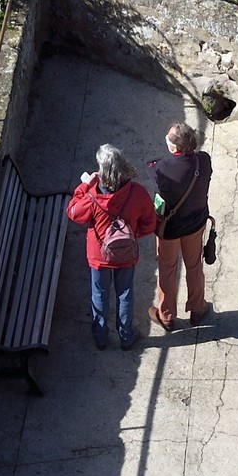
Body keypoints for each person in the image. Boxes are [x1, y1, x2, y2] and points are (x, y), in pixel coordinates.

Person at [65, 143, 157, 350]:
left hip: (99, 256)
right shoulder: (138, 193)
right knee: (125, 294)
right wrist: (132, 236)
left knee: (99, 293)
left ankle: (101, 337)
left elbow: (72, 212)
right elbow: (150, 223)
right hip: (126, 255)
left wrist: (86, 185)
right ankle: (126, 336)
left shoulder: (91, 198)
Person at [148, 121, 212, 330]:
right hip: (195, 224)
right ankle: (197, 308)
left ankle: (166, 315)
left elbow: (151, 168)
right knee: (194, 266)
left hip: (170, 229)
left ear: (175, 147)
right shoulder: (204, 161)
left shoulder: (162, 168)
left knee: (167, 268)